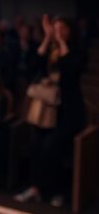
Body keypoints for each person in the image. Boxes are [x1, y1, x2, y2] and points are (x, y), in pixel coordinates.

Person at [15, 16, 86, 208]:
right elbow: (33, 66)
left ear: (70, 31)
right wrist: (46, 40)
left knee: (52, 146)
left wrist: (62, 42)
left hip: (69, 112)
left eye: (63, 29)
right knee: (36, 144)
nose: (58, 32)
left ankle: (56, 191)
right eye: (55, 28)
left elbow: (70, 69)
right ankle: (36, 188)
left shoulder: (77, 51)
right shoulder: (50, 50)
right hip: (47, 109)